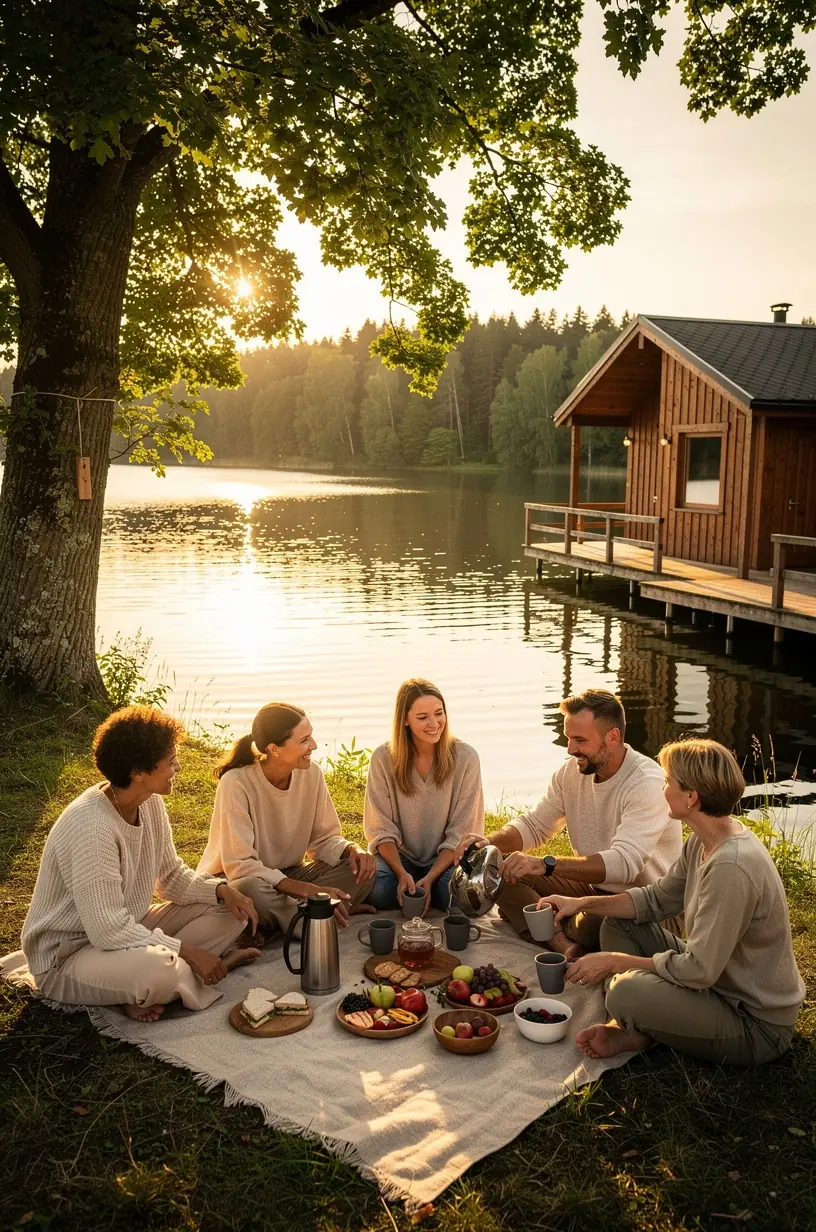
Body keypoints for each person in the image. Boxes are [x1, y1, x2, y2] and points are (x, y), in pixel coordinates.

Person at [539, 739, 805, 1066]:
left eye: (668, 782)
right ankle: (641, 1024)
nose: (662, 789)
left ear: (691, 797)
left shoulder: (730, 867)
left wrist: (616, 962)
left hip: (753, 1022)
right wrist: (579, 904)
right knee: (619, 925)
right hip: (718, 986)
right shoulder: (705, 840)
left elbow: (699, 970)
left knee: (625, 991)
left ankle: (636, 1021)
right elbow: (656, 899)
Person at [16, 707, 260, 1024]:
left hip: (127, 929)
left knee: (231, 909)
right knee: (161, 971)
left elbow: (171, 878)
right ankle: (192, 971)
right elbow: (107, 930)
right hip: (68, 956)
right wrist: (187, 950)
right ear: (139, 772)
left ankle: (144, 985)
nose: (178, 767)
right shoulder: (92, 828)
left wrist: (223, 890)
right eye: (170, 761)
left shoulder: (149, 801)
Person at [453, 689, 682, 951]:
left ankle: (558, 928)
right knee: (502, 875)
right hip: (592, 890)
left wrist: (545, 865)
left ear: (613, 737)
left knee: (586, 924)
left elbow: (624, 864)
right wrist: (487, 843)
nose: (571, 749)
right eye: (568, 738)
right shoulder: (571, 773)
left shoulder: (646, 783)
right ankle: (561, 943)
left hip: (648, 906)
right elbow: (534, 826)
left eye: (580, 740)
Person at [198, 703, 376, 934]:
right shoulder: (236, 782)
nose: (313, 745)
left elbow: (324, 840)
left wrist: (353, 850)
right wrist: (309, 891)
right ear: (275, 749)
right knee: (247, 888)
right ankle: (314, 921)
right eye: (304, 741)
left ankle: (290, 918)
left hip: (290, 874)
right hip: (244, 881)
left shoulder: (312, 774)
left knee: (363, 869)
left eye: (311, 736)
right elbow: (240, 866)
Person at [364, 678, 484, 914]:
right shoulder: (383, 758)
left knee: (458, 894)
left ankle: (429, 888)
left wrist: (430, 878)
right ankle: (407, 886)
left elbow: (460, 833)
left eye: (439, 713)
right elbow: (381, 829)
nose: (434, 723)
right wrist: (401, 874)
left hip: (448, 859)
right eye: (422, 717)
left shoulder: (466, 758)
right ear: (405, 721)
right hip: (400, 858)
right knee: (377, 888)